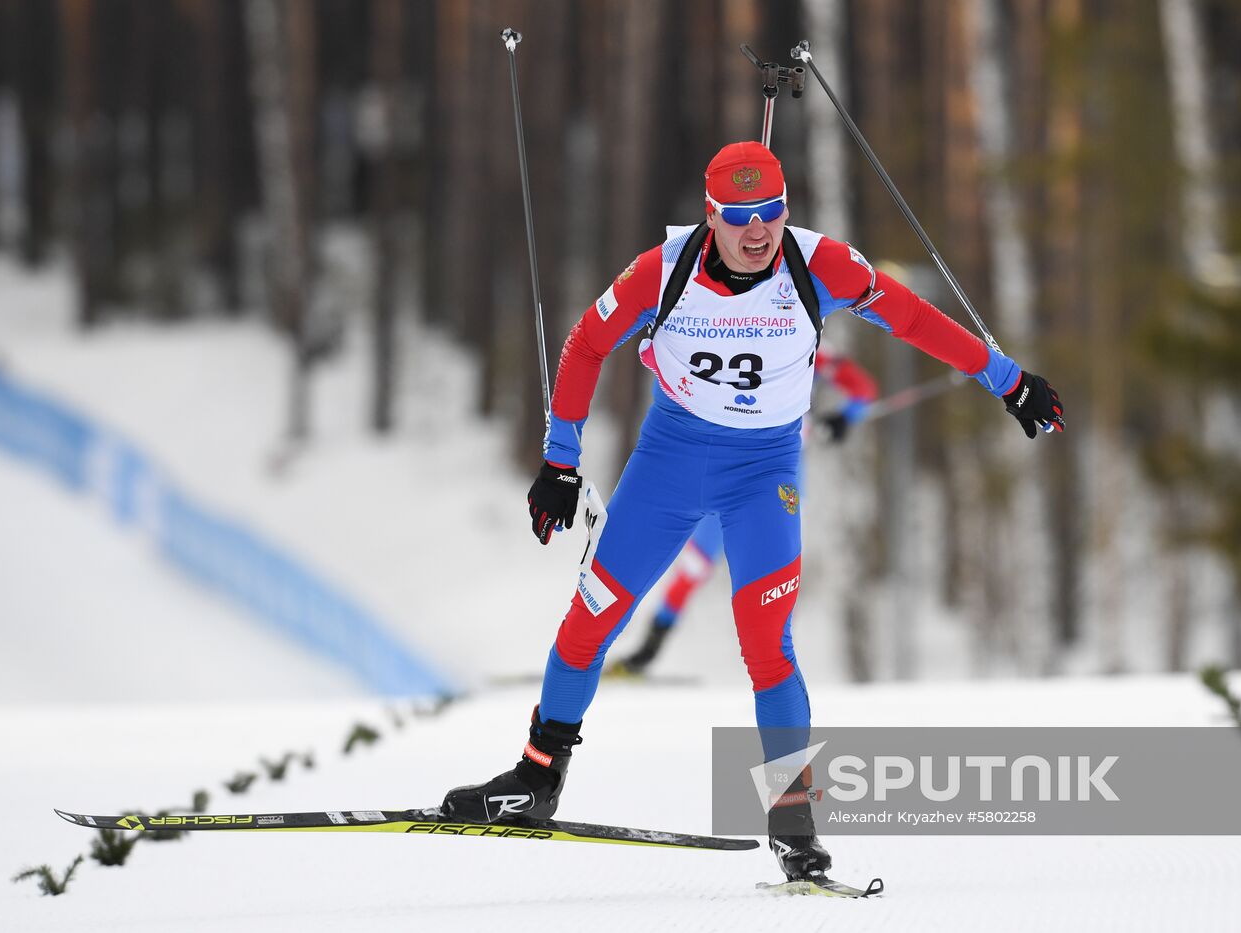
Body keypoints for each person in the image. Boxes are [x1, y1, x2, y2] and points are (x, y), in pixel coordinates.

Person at [441, 141, 1064, 881]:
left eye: (770, 212)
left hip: (763, 472)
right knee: (593, 615)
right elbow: (584, 342)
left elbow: (912, 318)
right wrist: (560, 462)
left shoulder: (820, 266)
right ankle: (537, 778)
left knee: (766, 639)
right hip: (668, 464)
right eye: (740, 217)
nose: (758, 230)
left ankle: (793, 819)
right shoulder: (662, 271)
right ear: (710, 217)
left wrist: (1007, 379)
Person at [610, 347, 878, 677]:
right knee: (694, 566)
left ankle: (774, 668)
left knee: (770, 575)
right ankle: (645, 653)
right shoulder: (725, 336)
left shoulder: (807, 347)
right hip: (718, 472)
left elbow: (863, 391)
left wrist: (841, 420)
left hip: (770, 483)